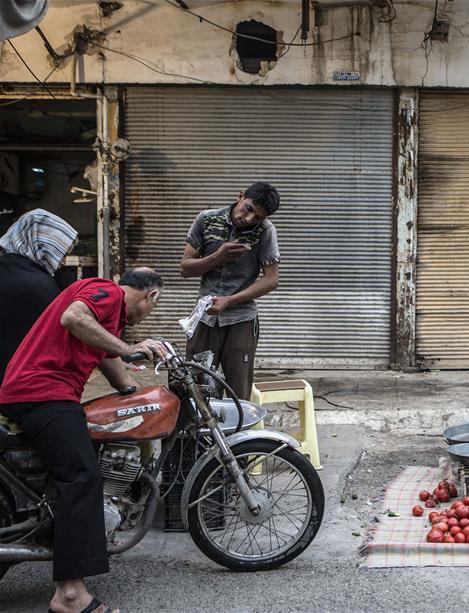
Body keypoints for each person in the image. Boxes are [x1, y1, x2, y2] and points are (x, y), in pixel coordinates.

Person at [0, 268, 167, 613]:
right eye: (153, 307)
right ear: (151, 296)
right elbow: (73, 317)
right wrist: (131, 347)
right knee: (82, 476)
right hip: (42, 392)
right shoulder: (107, 292)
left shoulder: (109, 315)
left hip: (41, 391)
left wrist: (131, 391)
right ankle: (70, 595)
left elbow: (105, 354)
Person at [180, 182, 281, 400]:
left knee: (238, 390)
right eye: (249, 209)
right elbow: (185, 268)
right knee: (195, 385)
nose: (249, 219)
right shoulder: (206, 219)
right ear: (241, 195)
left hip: (241, 320)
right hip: (205, 318)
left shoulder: (265, 231)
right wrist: (218, 257)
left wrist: (231, 300)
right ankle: (198, 434)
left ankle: (237, 434)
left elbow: (271, 280)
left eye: (258, 217)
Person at [0, 208, 78, 385]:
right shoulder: (38, 284)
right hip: (19, 386)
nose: (61, 262)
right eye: (60, 253)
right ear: (43, 245)